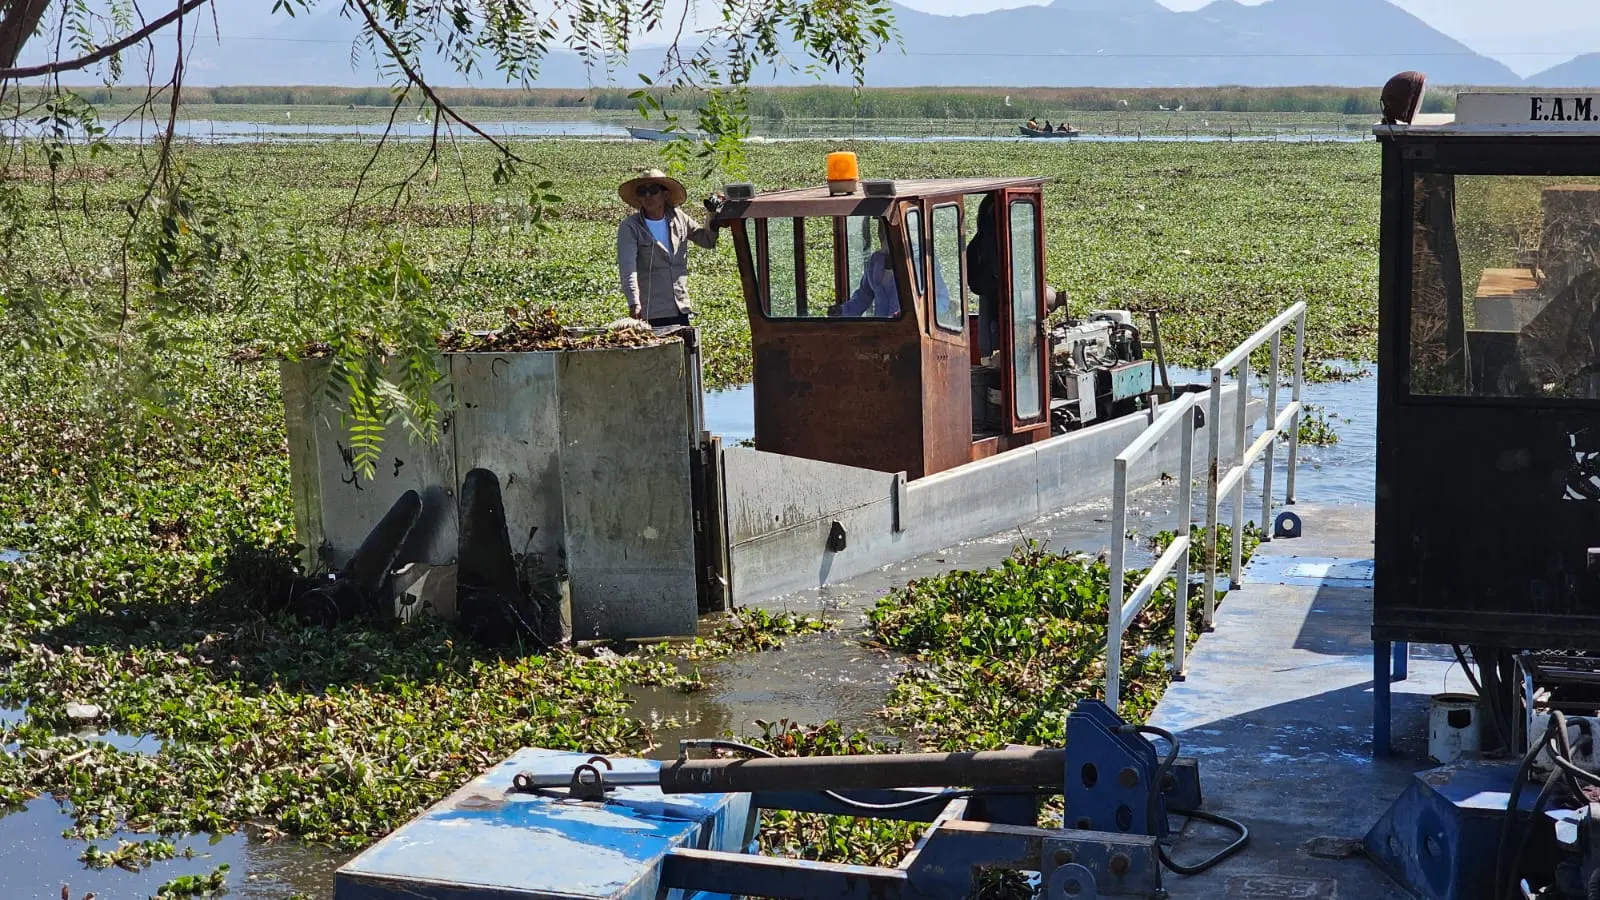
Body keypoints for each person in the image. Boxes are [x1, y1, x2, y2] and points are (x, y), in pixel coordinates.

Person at [616, 168, 720, 328]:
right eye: (642, 192)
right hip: (651, 312)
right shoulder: (630, 227)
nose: (647, 196)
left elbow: (707, 240)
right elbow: (628, 269)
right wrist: (634, 303)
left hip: (681, 308)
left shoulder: (680, 218)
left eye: (653, 191)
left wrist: (712, 213)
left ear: (665, 195)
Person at [832, 218, 900, 318]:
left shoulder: (917, 263)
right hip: (882, 328)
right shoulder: (876, 261)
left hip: (907, 329)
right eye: (881, 228)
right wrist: (842, 311)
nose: (881, 233)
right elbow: (864, 296)